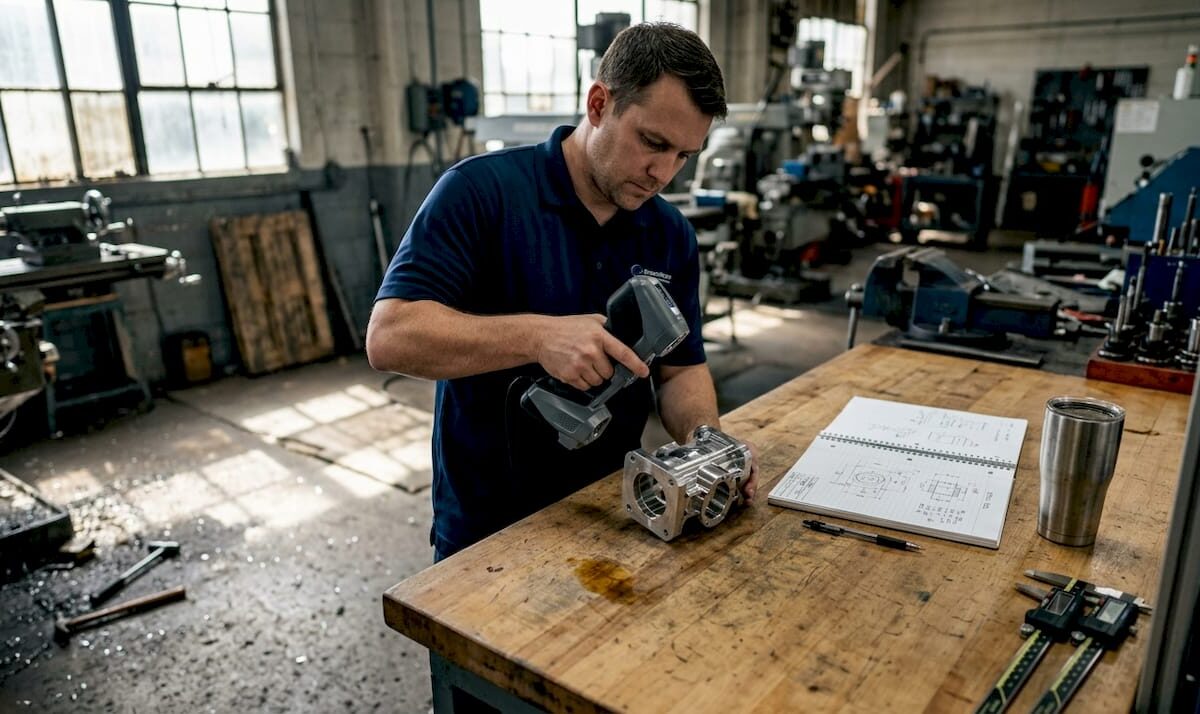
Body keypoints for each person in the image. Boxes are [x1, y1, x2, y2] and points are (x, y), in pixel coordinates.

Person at [366, 22, 757, 562]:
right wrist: (538, 337)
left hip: (612, 514)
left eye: (684, 156)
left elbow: (681, 369)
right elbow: (390, 337)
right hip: (486, 528)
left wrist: (706, 442)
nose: (663, 173)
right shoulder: (481, 194)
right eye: (653, 143)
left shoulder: (669, 233)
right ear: (599, 104)